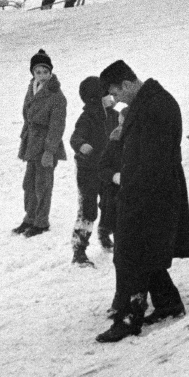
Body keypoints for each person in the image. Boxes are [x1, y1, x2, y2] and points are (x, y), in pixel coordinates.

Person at [94, 60, 189, 343]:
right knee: (145, 251)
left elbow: (148, 157)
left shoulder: (155, 105)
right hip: (149, 188)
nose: (116, 100)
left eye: (116, 93)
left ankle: (129, 316)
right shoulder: (150, 102)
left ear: (126, 84)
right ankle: (167, 303)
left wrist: (125, 180)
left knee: (130, 255)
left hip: (149, 191)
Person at [15, 49, 67, 236]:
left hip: (46, 146)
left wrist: (49, 151)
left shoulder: (57, 96)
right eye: (38, 72)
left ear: (51, 72)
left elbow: (57, 127)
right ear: (33, 73)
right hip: (31, 143)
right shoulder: (32, 88)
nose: (42, 76)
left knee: (43, 184)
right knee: (29, 183)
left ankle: (41, 221)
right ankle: (29, 218)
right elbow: (26, 114)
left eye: (46, 72)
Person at [68, 76, 111, 265]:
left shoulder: (113, 113)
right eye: (106, 93)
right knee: (88, 209)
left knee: (111, 202)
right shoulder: (87, 117)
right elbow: (75, 137)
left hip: (106, 167)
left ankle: (104, 232)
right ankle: (79, 250)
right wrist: (82, 145)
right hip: (88, 170)